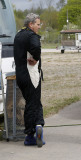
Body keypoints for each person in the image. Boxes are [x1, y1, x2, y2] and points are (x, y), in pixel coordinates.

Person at [14, 13, 45, 147]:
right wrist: (36, 58)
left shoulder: (18, 35)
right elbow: (36, 47)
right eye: (37, 24)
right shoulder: (31, 36)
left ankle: (36, 127)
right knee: (34, 103)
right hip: (30, 74)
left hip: (20, 75)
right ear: (30, 24)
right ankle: (32, 132)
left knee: (31, 102)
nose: (39, 26)